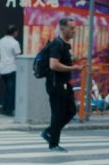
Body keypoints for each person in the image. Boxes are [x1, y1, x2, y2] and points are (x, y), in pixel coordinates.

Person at [43, 17, 82, 152]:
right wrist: (73, 68)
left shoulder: (64, 45)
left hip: (64, 83)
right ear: (62, 28)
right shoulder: (57, 44)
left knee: (71, 111)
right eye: (71, 28)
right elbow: (53, 64)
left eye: (74, 28)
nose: (74, 31)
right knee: (57, 113)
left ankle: (49, 132)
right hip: (55, 84)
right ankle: (53, 143)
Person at [0, 24, 22, 117]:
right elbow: (18, 56)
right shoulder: (15, 43)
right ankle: (8, 110)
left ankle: (5, 108)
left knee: (7, 89)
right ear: (14, 32)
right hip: (12, 68)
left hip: (3, 69)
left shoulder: (0, 41)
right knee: (11, 90)